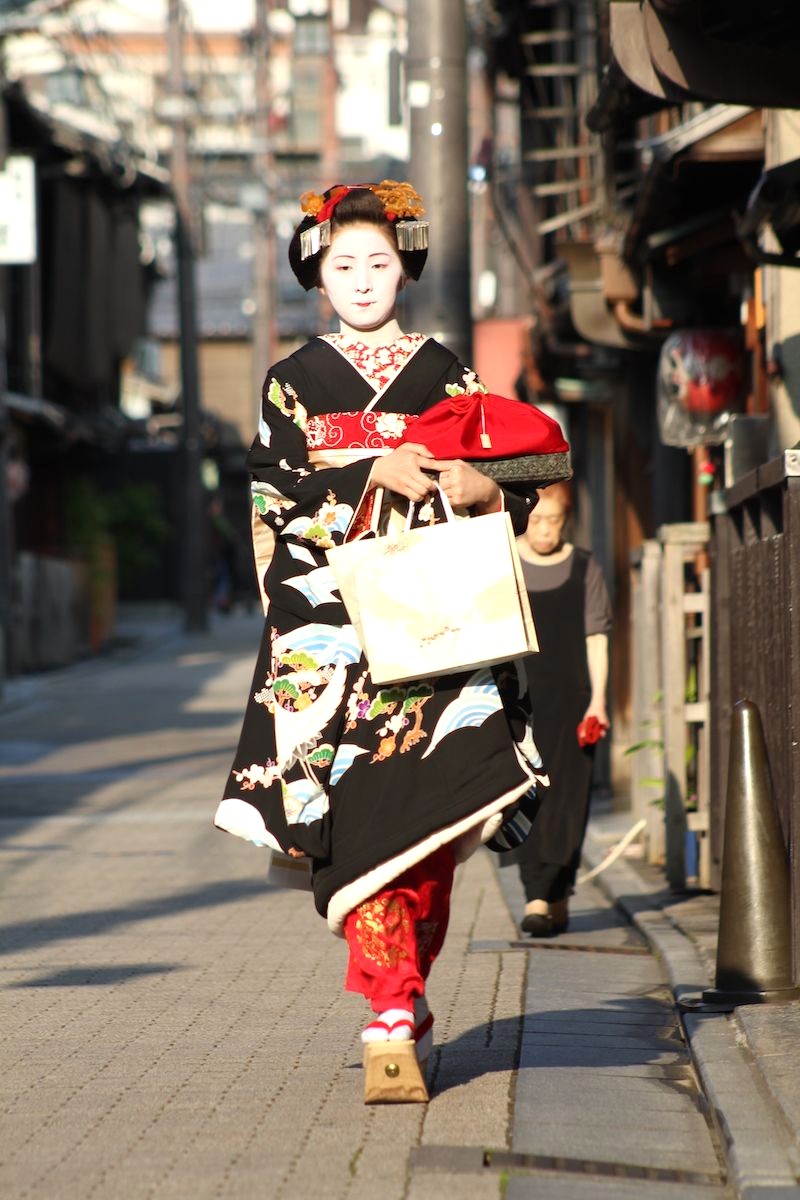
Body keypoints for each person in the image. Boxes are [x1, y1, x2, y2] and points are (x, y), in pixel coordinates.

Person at [214, 181, 545, 1103]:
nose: (362, 278)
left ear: (406, 268)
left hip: (437, 628)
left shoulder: (445, 371)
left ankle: (406, 994)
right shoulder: (294, 380)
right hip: (341, 637)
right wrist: (369, 468)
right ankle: (391, 1009)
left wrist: (487, 489)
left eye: (379, 262)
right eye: (344, 263)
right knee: (366, 822)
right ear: (317, 274)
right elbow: (272, 495)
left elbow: (516, 463)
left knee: (439, 813)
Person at [512, 481, 611, 937]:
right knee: (529, 795)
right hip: (520, 701)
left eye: (554, 520)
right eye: (537, 519)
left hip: (573, 701)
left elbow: (597, 637)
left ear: (566, 521)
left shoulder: (584, 566)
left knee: (570, 799)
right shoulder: (505, 561)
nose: (545, 529)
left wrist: (599, 700)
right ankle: (536, 895)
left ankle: (559, 894)